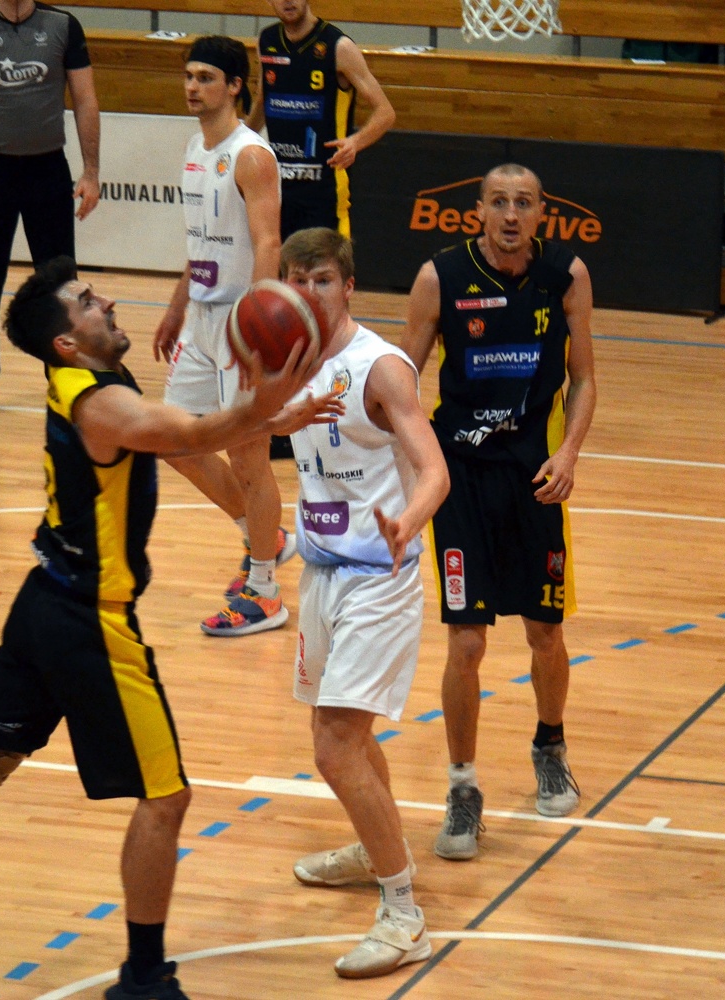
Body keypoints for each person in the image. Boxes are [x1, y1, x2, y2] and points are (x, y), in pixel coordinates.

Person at [0, 257, 338, 1000]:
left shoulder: (88, 384)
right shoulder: (99, 404)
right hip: (92, 622)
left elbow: (182, 443)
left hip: (41, 602)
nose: (107, 300)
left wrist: (267, 427)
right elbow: (195, 429)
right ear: (66, 342)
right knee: (166, 798)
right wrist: (264, 396)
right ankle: (143, 978)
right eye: (88, 301)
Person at [400, 164, 598, 860]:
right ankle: (462, 787)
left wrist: (568, 453)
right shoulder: (441, 277)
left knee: (545, 631)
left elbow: (583, 378)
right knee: (467, 644)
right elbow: (401, 380)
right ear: (477, 211)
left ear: (542, 212)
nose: (511, 214)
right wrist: (412, 464)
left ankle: (550, 746)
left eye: (524, 203)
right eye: (499, 202)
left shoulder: (566, 275)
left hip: (536, 477)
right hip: (461, 481)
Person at [281, 229, 449, 978]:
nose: (308, 292)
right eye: (296, 279)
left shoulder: (379, 368)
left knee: (333, 744)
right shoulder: (286, 359)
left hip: (380, 577)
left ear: (347, 285)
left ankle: (405, 915)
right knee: (347, 737)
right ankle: (377, 846)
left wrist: (407, 522)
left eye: (321, 279)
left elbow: (434, 470)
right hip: (321, 573)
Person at [152, 37, 295, 637]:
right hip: (201, 319)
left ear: (236, 86)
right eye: (189, 75)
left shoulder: (250, 155)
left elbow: (268, 242)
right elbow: (199, 244)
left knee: (248, 455)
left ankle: (265, 592)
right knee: (173, 439)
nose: (193, 86)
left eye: (206, 77)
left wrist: (259, 325)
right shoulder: (195, 147)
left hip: (239, 322)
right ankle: (264, 537)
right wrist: (175, 307)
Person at [0, 0, 101, 418]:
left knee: (61, 284)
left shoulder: (63, 26)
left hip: (48, 170)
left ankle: (66, 380)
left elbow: (85, 99)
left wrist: (91, 172)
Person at [250, 0, 396, 239]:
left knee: (326, 261)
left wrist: (355, 142)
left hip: (323, 192)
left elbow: (385, 112)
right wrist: (238, 140)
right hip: (277, 189)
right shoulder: (267, 40)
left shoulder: (339, 46)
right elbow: (262, 100)